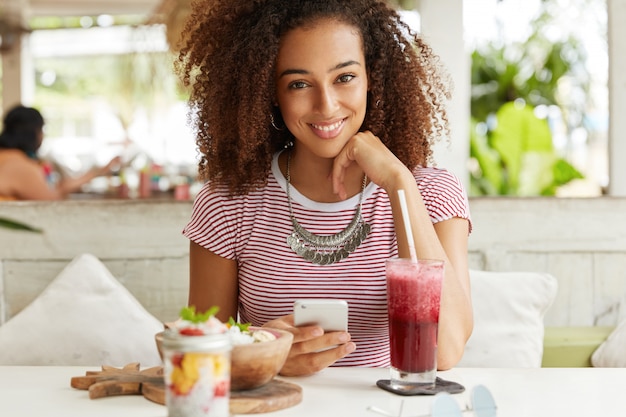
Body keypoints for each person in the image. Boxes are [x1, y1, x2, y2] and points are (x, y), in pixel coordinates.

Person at [179, 0, 473, 377]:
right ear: (270, 92)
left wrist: (399, 184)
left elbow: (444, 351)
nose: (326, 105)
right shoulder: (228, 204)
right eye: (299, 84)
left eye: (344, 77)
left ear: (373, 78)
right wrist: (265, 349)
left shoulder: (430, 193)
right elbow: (198, 352)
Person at [0, 105, 120, 200]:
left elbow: (56, 187)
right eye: (42, 130)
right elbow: (52, 199)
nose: (43, 135)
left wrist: (96, 172)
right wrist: (95, 173)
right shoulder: (19, 166)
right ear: (33, 132)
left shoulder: (10, 157)